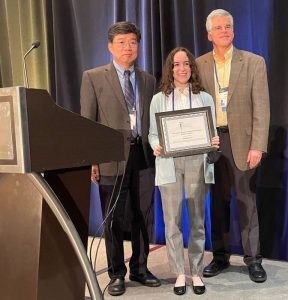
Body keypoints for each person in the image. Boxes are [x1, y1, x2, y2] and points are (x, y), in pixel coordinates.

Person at [80, 21, 161, 296]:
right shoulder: (93, 77)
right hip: (110, 158)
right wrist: (92, 160)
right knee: (112, 217)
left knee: (142, 215)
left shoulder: (148, 79)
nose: (128, 47)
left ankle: (140, 268)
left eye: (133, 42)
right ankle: (116, 273)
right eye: (122, 42)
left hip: (143, 156)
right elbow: (87, 123)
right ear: (110, 47)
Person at [196, 9, 270, 282]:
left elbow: (262, 108)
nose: (224, 30)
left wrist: (257, 146)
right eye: (219, 27)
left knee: (246, 202)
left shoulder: (253, 62)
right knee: (217, 203)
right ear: (209, 35)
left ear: (233, 31)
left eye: (228, 26)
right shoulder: (199, 64)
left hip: (242, 142)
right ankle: (219, 256)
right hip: (212, 142)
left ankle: (253, 260)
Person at [149, 47, 219, 296]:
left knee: (198, 221)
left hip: (197, 163)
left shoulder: (205, 98)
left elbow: (212, 131)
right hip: (169, 163)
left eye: (186, 64)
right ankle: (179, 272)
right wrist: (155, 145)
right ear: (170, 69)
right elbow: (153, 133)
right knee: (173, 222)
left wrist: (213, 140)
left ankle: (196, 271)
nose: (182, 69)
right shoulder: (159, 99)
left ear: (192, 68)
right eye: (177, 65)